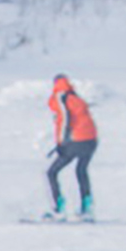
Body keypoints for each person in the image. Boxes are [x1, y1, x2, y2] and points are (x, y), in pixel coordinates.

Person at [44, 73, 98, 221]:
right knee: (81, 171)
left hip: (76, 141)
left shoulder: (60, 97)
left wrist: (60, 143)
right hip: (91, 141)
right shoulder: (75, 97)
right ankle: (87, 207)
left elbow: (65, 120)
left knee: (51, 172)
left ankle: (58, 209)